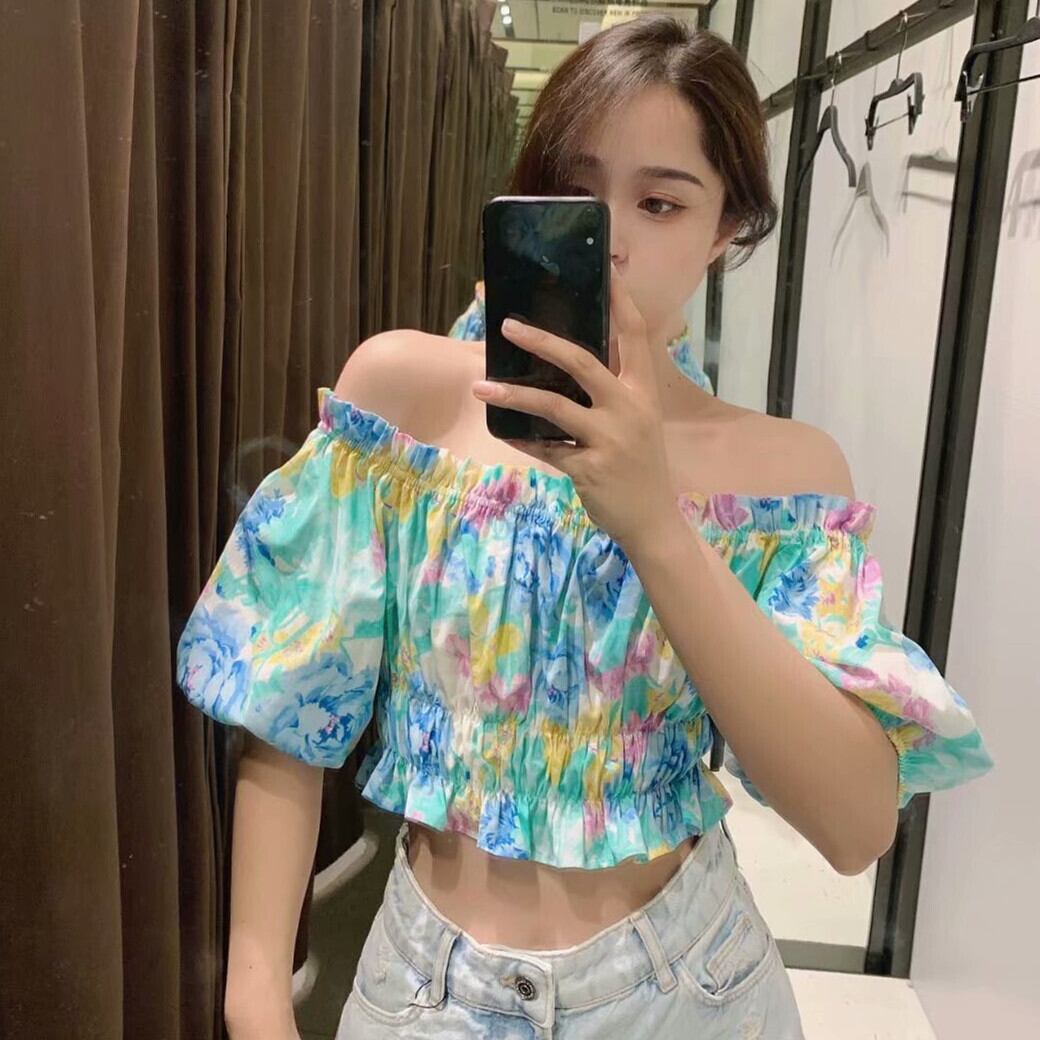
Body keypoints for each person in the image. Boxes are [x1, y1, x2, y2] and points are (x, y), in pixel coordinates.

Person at [175, 16, 995, 1040]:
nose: (611, 238)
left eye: (661, 201)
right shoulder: (405, 400)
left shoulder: (781, 473)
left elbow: (852, 824)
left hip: (688, 989)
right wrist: (255, 987)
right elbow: (291, 700)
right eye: (575, 190)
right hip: (425, 993)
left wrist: (655, 521)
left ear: (727, 230)